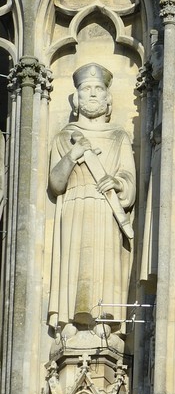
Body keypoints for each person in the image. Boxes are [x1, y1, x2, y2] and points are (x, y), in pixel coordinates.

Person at [48, 64, 136, 335]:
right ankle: (69, 321)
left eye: (99, 89)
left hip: (104, 207)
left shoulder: (119, 136)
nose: (93, 94)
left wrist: (118, 182)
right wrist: (73, 155)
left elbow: (128, 179)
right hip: (75, 205)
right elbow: (55, 182)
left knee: (103, 261)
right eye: (86, 89)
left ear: (109, 99)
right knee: (73, 262)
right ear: (76, 99)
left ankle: (103, 319)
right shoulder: (66, 137)